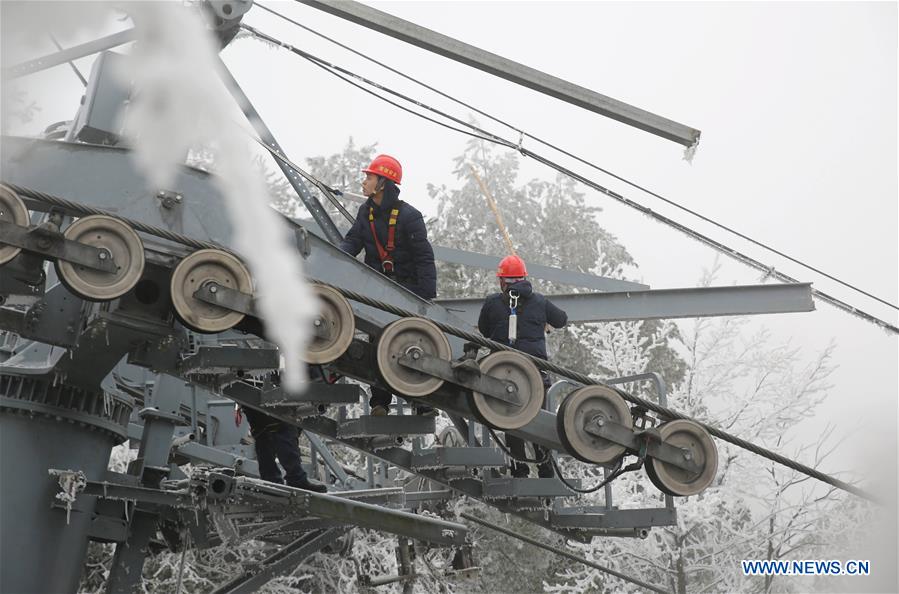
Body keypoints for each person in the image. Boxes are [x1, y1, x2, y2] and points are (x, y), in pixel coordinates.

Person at [340, 155, 438, 416]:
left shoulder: (410, 216)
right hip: (379, 291)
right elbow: (351, 243)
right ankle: (380, 403)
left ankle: (421, 403)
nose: (364, 182)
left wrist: (425, 298)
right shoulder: (366, 213)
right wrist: (332, 262)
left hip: (408, 292)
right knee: (378, 345)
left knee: (410, 345)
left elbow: (424, 257)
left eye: (369, 177)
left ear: (382, 183)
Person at [477, 254, 567, 478]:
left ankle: (519, 469)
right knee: (538, 420)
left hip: (504, 373)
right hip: (535, 375)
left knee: (511, 420)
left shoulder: (492, 303)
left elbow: (485, 330)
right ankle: (545, 471)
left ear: (502, 282)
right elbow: (562, 319)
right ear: (524, 278)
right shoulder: (539, 301)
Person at [236, 366, 328, 492]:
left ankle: (271, 481)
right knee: (283, 428)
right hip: (265, 384)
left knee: (264, 434)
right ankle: (294, 478)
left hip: (252, 384)